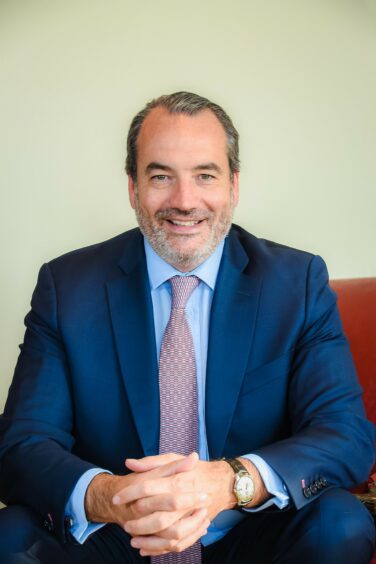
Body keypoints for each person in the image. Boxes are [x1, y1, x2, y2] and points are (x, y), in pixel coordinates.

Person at [0, 91, 375, 563]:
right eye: (161, 176)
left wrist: (231, 482)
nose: (184, 201)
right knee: (11, 534)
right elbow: (23, 443)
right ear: (133, 188)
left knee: (339, 523)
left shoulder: (296, 283)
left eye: (205, 175)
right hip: (117, 536)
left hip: (249, 534)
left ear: (233, 186)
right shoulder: (67, 287)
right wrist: (112, 496)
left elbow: (346, 434)